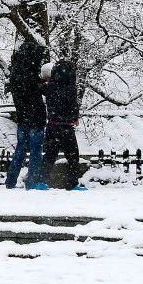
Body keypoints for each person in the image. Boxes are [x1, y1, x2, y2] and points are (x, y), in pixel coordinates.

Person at [5, 37, 47, 189]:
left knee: (20, 150)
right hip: (36, 119)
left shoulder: (16, 75)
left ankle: (10, 181)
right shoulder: (31, 75)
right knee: (36, 152)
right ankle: (32, 182)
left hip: (22, 118)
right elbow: (39, 93)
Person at [42, 56, 84, 190]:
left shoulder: (50, 86)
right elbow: (72, 104)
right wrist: (75, 117)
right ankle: (72, 183)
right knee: (73, 156)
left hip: (52, 124)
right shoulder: (70, 87)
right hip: (66, 126)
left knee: (49, 155)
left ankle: (41, 181)